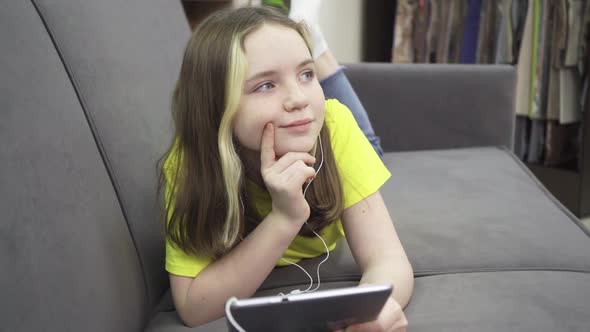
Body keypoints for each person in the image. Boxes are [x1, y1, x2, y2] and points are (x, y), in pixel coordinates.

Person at [159, 5, 413, 331]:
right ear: (217, 106)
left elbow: (388, 259)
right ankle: (313, 51)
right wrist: (284, 218)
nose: (297, 98)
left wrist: (374, 310)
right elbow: (194, 307)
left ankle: (318, 55)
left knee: (369, 145)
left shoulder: (334, 127)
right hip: (300, 132)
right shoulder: (188, 163)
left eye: (307, 74)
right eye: (266, 85)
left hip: (327, 133)